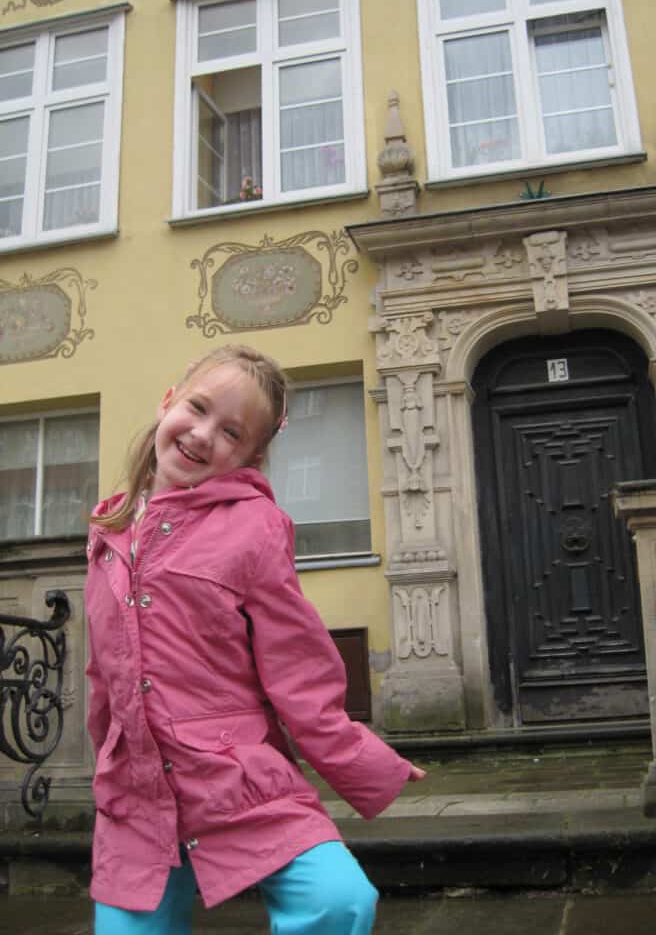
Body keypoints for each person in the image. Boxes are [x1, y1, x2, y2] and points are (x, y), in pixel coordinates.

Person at [84, 345, 426, 935]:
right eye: (198, 408)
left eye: (231, 432)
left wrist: (360, 758)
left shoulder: (253, 528)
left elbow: (299, 666)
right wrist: (107, 760)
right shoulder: (109, 530)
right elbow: (102, 675)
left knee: (340, 900)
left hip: (236, 777)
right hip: (136, 798)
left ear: (251, 457)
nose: (202, 434)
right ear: (169, 401)